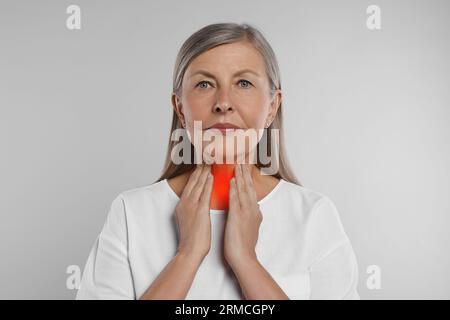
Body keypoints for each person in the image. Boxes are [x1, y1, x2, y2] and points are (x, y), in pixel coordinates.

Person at [76, 22, 360, 300]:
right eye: (204, 84)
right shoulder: (130, 213)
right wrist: (187, 255)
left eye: (243, 83)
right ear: (180, 108)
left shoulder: (314, 216)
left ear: (272, 106)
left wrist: (246, 261)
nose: (223, 102)